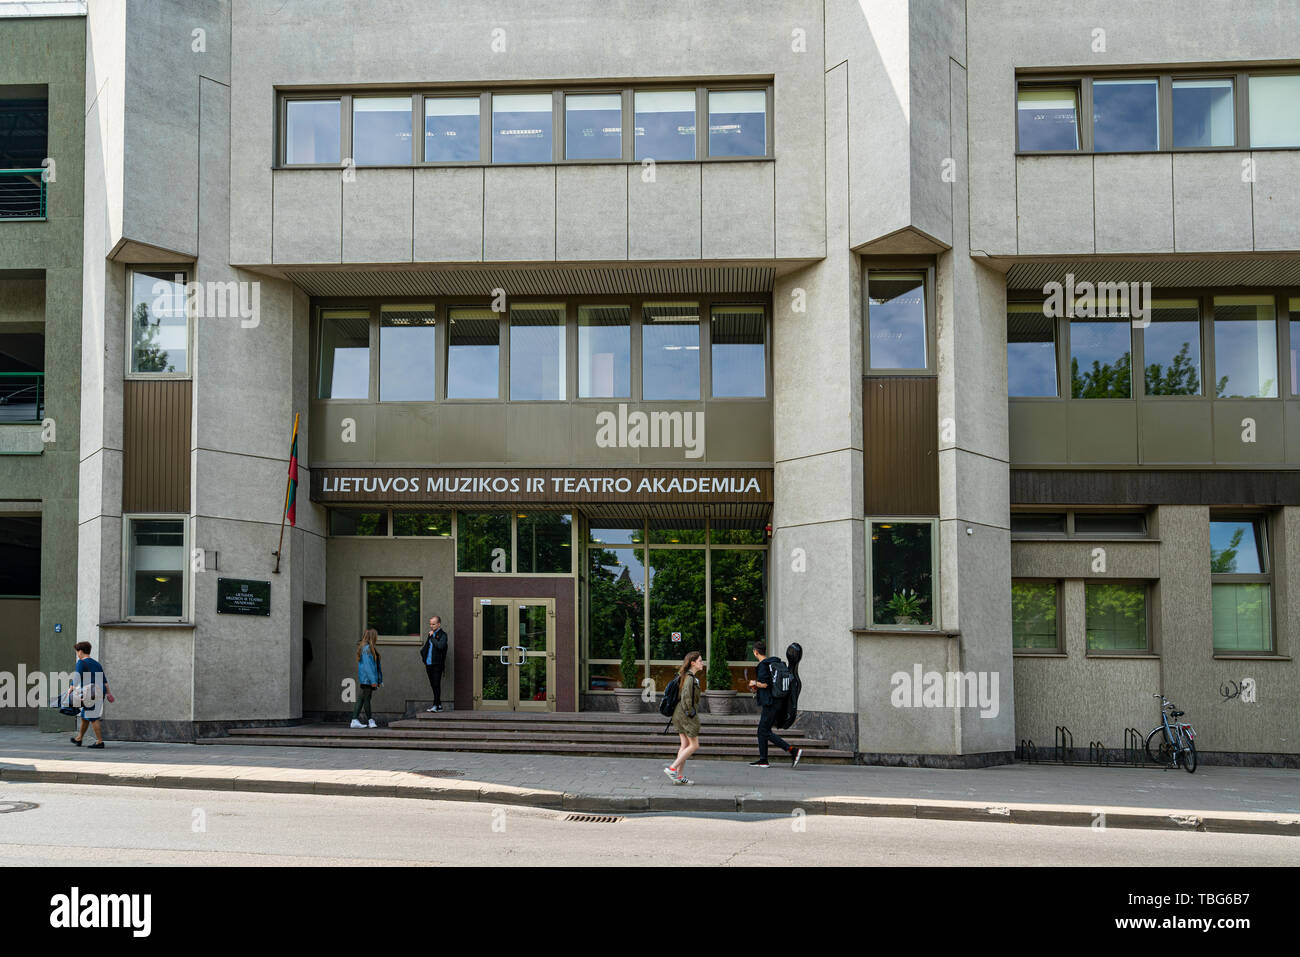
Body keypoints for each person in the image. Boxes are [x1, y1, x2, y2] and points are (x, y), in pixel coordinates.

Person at [747, 640, 801, 768]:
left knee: (764, 731)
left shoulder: (763, 665)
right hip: (776, 701)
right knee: (762, 730)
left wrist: (754, 683)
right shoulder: (774, 662)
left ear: (755, 652)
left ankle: (792, 750)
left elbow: (765, 684)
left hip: (770, 702)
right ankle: (763, 760)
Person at [664, 651, 705, 785]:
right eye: (700, 660)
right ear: (693, 663)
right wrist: (691, 713)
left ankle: (679, 776)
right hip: (685, 714)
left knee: (685, 745)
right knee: (694, 745)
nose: (702, 663)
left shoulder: (684, 676)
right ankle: (672, 768)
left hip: (678, 713)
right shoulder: (690, 678)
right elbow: (687, 697)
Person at [69, 641, 114, 749]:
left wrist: (70, 689)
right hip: (100, 691)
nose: (77, 654)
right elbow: (104, 680)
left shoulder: (81, 662)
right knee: (85, 715)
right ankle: (79, 738)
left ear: (80, 651)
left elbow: (77, 677)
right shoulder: (96, 663)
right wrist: (108, 693)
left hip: (90, 692)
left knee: (93, 716)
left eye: (77, 652)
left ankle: (99, 741)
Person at [351, 628, 383, 729]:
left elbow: (375, 666)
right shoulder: (367, 649)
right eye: (376, 636)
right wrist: (373, 681)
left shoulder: (369, 648)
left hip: (367, 679)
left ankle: (354, 720)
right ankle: (370, 720)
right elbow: (368, 667)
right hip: (367, 680)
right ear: (373, 637)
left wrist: (379, 680)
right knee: (366, 699)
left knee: (362, 699)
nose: (377, 638)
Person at [419, 616, 449, 712]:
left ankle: (435, 705)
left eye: (433, 624)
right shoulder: (430, 634)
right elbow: (427, 647)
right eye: (430, 624)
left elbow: (440, 646)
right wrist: (423, 655)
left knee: (436, 684)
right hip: (429, 664)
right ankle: (438, 705)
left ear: (439, 624)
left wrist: (432, 637)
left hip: (437, 664)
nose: (431, 626)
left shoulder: (443, 635)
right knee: (433, 685)